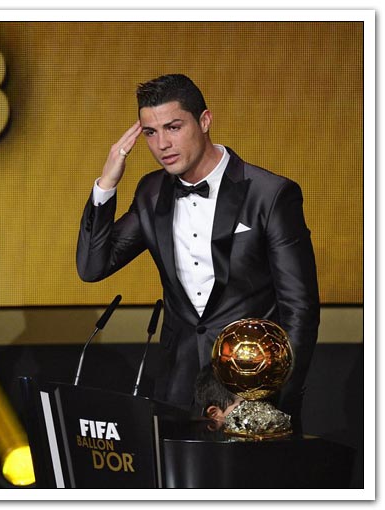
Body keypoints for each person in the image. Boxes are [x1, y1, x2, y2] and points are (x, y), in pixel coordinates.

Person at [76, 74, 320, 424]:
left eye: (173, 127)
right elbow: (92, 266)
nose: (162, 144)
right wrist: (107, 184)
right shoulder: (151, 193)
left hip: (253, 386)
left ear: (204, 121)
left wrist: (278, 398)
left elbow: (300, 309)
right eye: (150, 133)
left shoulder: (269, 194)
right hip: (179, 387)